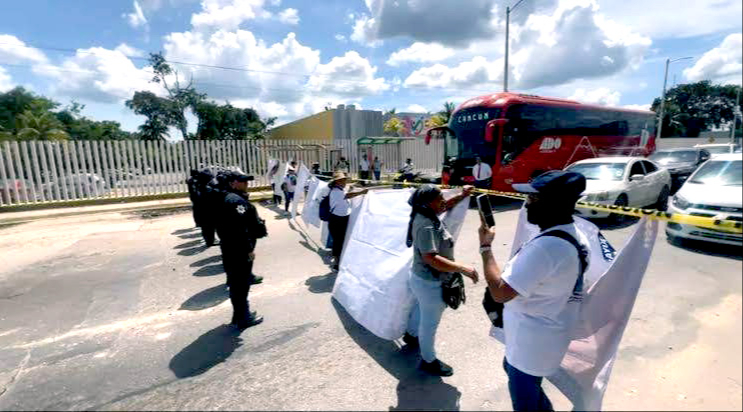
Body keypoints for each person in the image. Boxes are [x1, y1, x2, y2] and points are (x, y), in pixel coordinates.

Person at [477, 171, 588, 411]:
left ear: (553, 203)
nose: (526, 204)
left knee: (524, 399)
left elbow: (500, 293)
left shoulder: (548, 248)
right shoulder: (571, 234)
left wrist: (485, 247)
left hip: (532, 346)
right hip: (542, 336)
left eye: (533, 198)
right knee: (513, 371)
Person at [403, 184, 478, 376]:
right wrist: (463, 268)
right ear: (429, 203)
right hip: (430, 282)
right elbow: (431, 259)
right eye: (439, 198)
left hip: (421, 279)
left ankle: (411, 336)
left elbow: (445, 206)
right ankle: (429, 361)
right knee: (429, 324)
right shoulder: (426, 225)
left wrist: (463, 195)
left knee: (421, 308)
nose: (443, 201)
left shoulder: (425, 212)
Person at [216, 171, 265, 329]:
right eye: (242, 181)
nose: (246, 184)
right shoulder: (235, 201)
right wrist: (248, 249)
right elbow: (240, 229)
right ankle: (244, 318)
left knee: (237, 283)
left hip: (230, 247)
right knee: (241, 285)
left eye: (246, 181)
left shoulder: (226, 197)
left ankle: (238, 316)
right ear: (232, 183)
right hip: (238, 249)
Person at [327, 171, 368, 271]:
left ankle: (340, 260)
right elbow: (347, 195)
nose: (345, 181)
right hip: (337, 219)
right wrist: (361, 192)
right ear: (337, 182)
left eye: (345, 180)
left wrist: (353, 187)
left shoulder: (340, 189)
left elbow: (346, 194)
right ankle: (337, 264)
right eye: (342, 180)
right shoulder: (336, 191)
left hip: (342, 218)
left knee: (341, 240)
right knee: (338, 242)